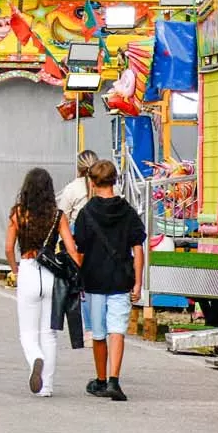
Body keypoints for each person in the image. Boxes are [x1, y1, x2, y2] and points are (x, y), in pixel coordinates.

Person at [5, 167, 81, 399]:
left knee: (27, 333)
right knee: (49, 333)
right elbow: (72, 249)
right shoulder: (57, 216)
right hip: (51, 275)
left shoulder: (18, 214)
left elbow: (8, 248)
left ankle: (35, 358)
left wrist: (15, 269)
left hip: (28, 270)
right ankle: (46, 387)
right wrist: (77, 275)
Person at [77, 160, 145, 401]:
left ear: (92, 182)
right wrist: (138, 282)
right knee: (117, 330)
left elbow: (80, 250)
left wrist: (76, 278)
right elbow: (138, 248)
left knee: (98, 333)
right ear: (115, 181)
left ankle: (100, 379)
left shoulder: (86, 213)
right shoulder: (128, 212)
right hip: (121, 280)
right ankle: (114, 380)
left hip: (93, 280)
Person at [56, 149, 99, 228]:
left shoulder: (71, 188)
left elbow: (62, 220)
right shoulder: (109, 187)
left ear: (78, 167)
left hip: (76, 234)